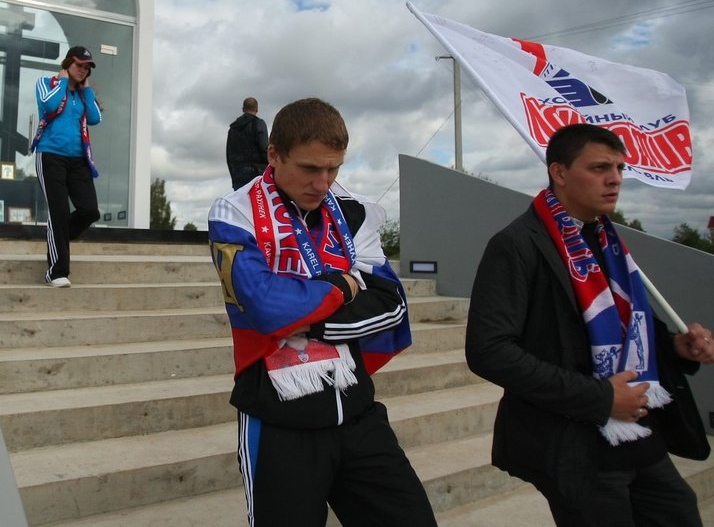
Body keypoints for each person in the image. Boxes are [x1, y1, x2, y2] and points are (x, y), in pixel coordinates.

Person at [466, 122, 714, 526]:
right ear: (559, 172)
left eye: (618, 168)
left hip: (639, 432)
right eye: (600, 168)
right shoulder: (517, 244)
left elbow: (625, 328)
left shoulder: (608, 239)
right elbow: (489, 351)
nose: (614, 179)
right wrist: (599, 398)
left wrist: (672, 347)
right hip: (576, 445)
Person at [207, 97, 436, 526]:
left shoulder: (355, 210)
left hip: (357, 410)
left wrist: (309, 313)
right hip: (278, 422)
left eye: (334, 169)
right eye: (310, 169)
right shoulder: (234, 210)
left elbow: (392, 306)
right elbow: (266, 309)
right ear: (273, 155)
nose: (323, 182)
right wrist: (341, 285)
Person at [32, 45, 102, 288]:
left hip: (79, 159)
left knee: (90, 210)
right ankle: (56, 271)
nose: (83, 71)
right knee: (59, 212)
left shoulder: (83, 94)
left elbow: (95, 118)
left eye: (87, 68)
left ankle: (60, 236)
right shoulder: (46, 83)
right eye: (79, 65)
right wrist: (62, 82)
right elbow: (49, 106)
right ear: (67, 63)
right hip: (50, 155)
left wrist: (89, 90)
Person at [226, 97, 269, 190]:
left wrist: (234, 174)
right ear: (257, 109)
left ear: (243, 109)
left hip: (238, 173)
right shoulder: (259, 124)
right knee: (257, 203)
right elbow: (264, 149)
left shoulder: (233, 128)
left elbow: (229, 154)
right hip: (257, 173)